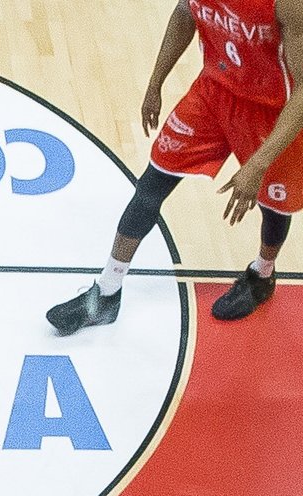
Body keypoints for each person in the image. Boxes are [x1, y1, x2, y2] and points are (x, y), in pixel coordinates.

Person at [49, 0, 303, 331]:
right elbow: (185, 14)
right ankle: (106, 294)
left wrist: (258, 164)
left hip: (272, 110)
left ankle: (262, 274)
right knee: (150, 187)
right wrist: (156, 82)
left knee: (274, 205)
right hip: (212, 94)